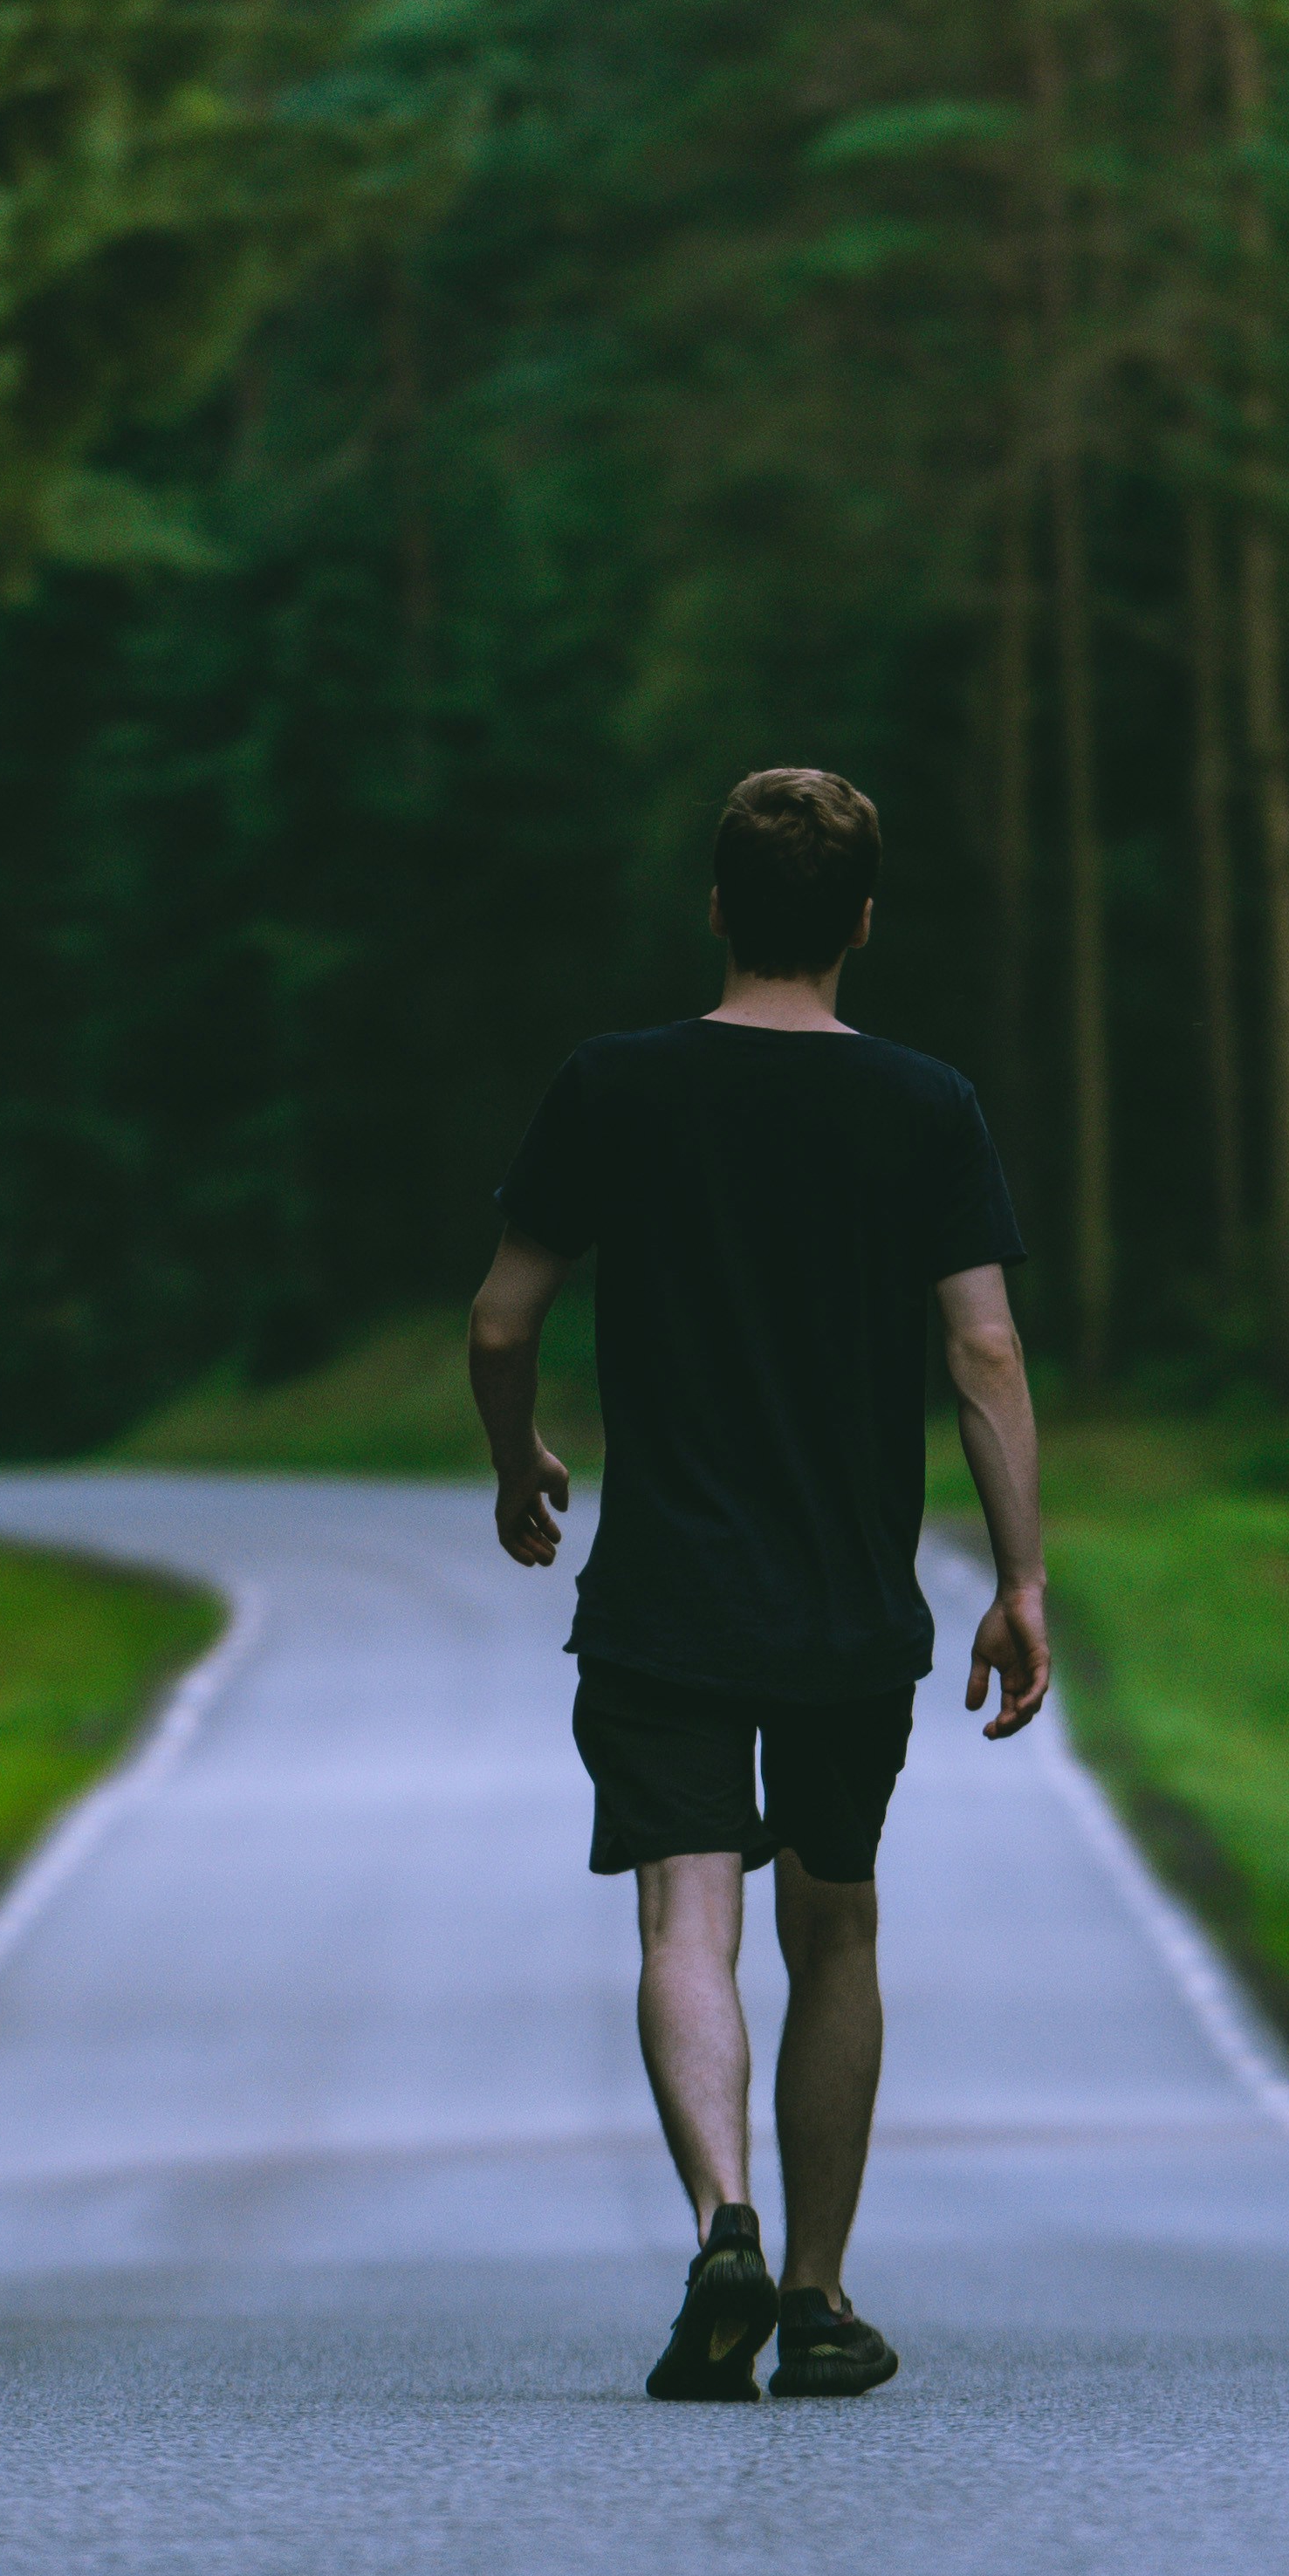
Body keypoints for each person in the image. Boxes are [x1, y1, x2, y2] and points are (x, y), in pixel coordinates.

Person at [469, 762, 1049, 2402]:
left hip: (665, 1589)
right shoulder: (926, 1104)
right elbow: (984, 1347)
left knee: (684, 1916)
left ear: (717, 906)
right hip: (847, 1600)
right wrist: (1021, 1579)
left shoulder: (614, 1085)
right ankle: (815, 2291)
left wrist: (518, 1466)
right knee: (838, 1929)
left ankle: (718, 2219)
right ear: (861, 924)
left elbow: (502, 1317)